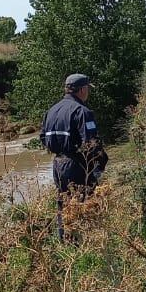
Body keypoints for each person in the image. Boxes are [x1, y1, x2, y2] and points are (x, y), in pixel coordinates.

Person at [41, 74, 108, 239]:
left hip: (58, 164)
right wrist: (100, 164)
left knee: (64, 206)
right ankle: (88, 244)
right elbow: (91, 143)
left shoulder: (52, 110)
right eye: (88, 90)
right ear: (83, 90)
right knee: (86, 205)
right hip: (78, 165)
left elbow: (43, 137)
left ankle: (66, 243)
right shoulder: (82, 111)